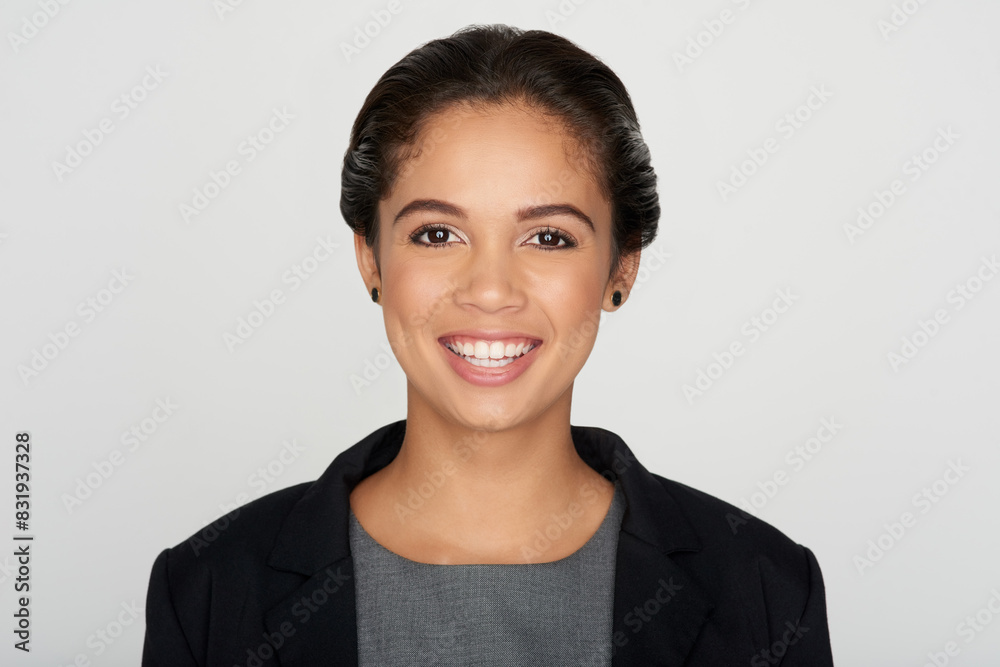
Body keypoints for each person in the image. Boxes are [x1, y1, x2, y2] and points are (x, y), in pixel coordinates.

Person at [142, 24, 834, 666]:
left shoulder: (767, 589)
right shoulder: (207, 587)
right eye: (438, 234)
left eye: (549, 236)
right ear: (371, 259)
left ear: (621, 266)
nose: (492, 289)